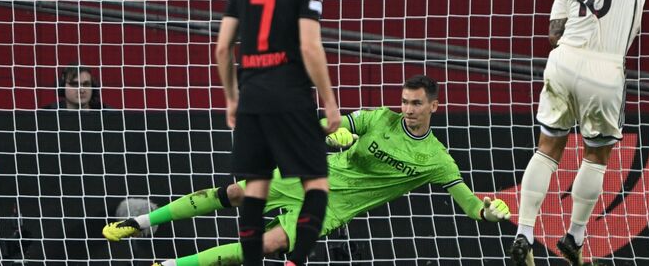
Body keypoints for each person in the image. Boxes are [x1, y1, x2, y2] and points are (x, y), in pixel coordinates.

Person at [102, 75, 512, 266]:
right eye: (404, 101)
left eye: (416, 103)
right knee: (234, 194)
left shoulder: (437, 160)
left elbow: (469, 203)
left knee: (265, 245)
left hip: (333, 208)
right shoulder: (379, 118)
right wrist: (332, 137)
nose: (406, 109)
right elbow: (324, 129)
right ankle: (138, 222)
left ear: (433, 107)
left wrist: (486, 212)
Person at [509, 0, 649, 265]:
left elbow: (554, 33)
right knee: (596, 156)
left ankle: (524, 232)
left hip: (562, 61)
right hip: (604, 68)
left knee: (547, 150)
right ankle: (574, 237)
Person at [210, 0, 340, 265]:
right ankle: (295, 261)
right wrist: (330, 102)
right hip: (291, 97)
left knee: (255, 188)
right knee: (317, 186)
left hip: (251, 99)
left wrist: (232, 98)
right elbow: (309, 46)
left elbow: (222, 49)